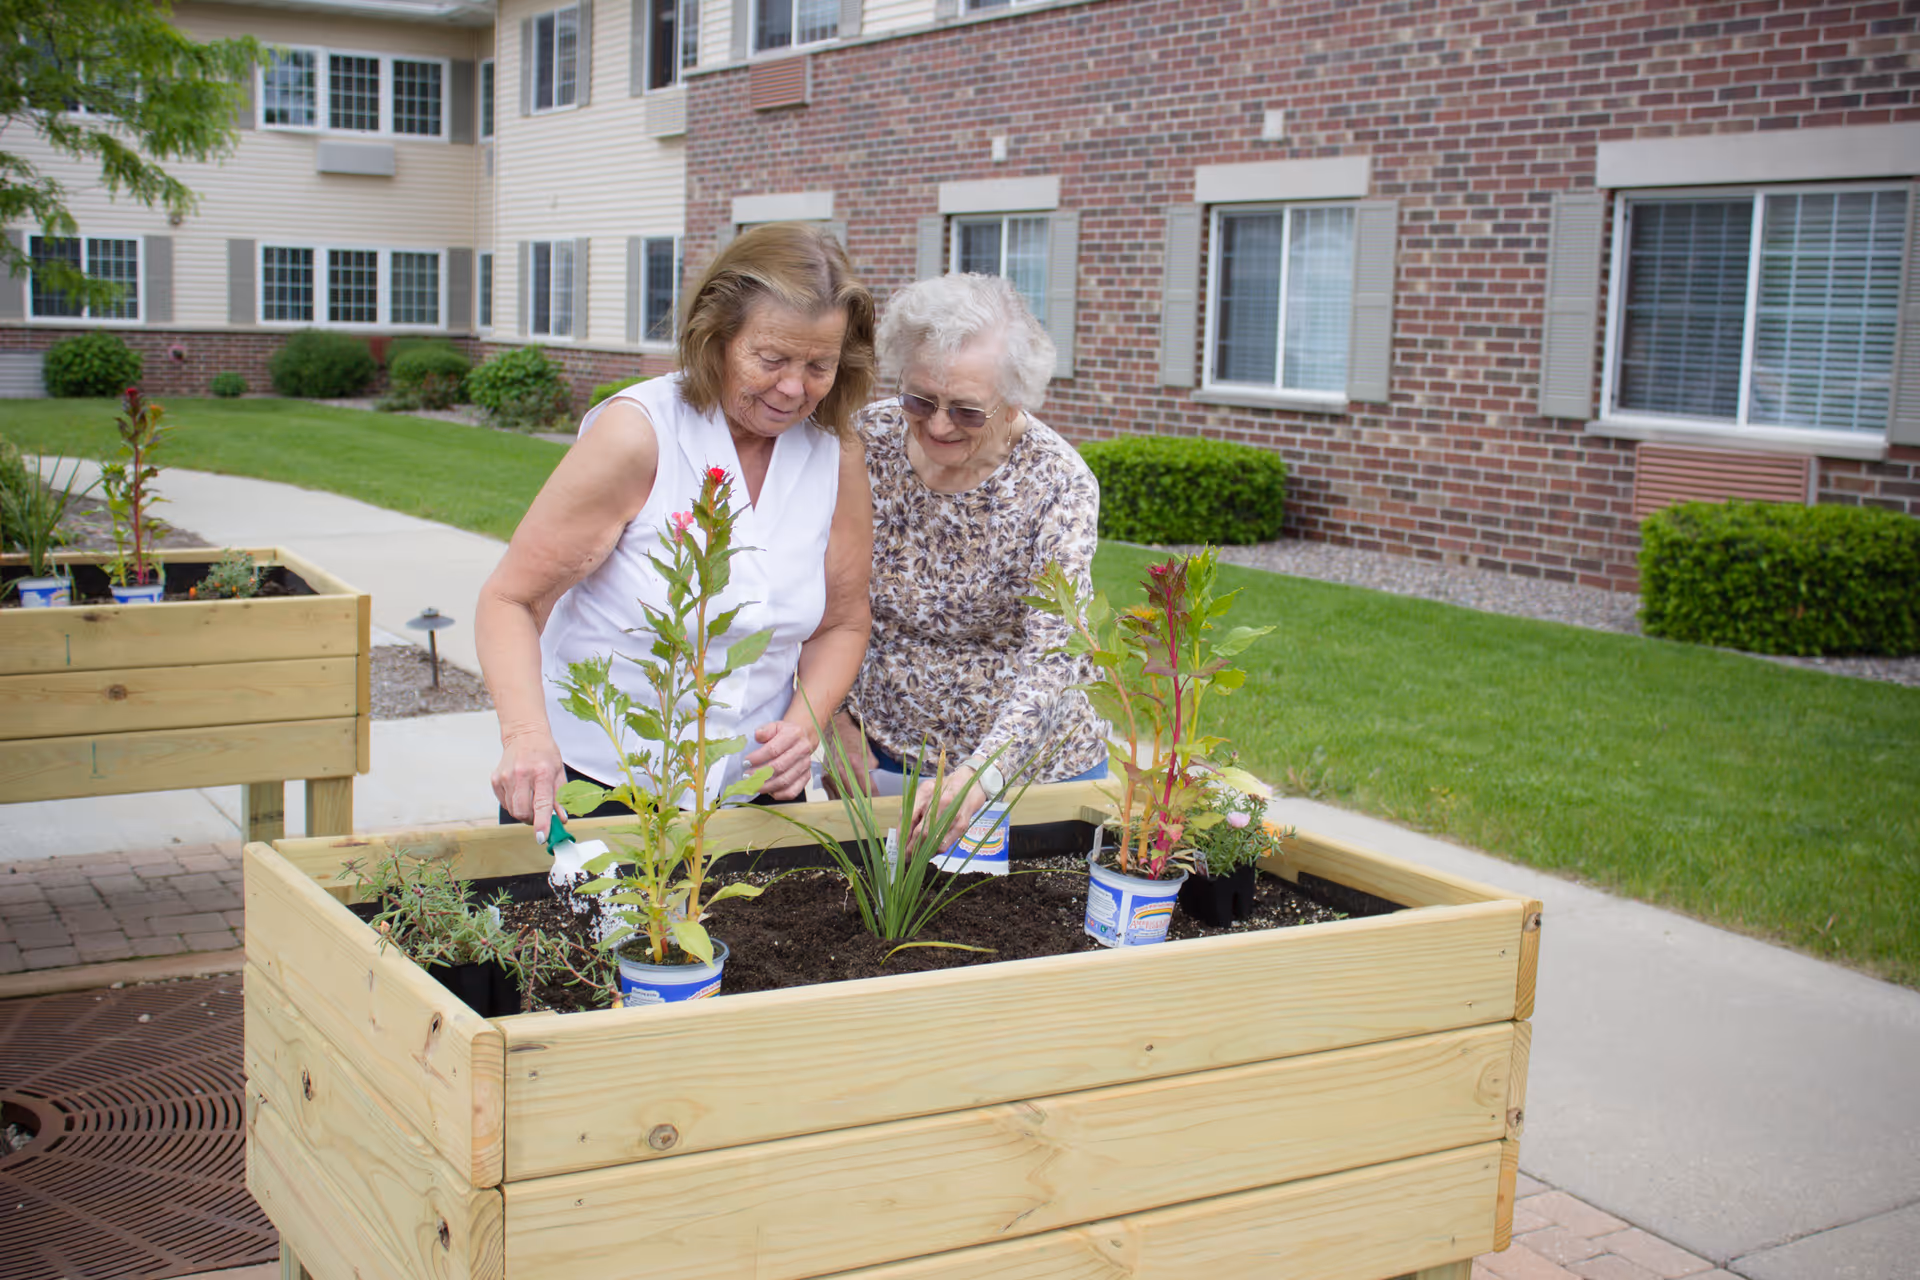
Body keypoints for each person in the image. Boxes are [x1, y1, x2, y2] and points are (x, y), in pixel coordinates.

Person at [479, 223, 875, 833]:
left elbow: (843, 622)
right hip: (597, 787)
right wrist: (527, 736)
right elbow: (511, 598)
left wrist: (803, 725)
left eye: (818, 365)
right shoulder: (638, 435)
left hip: (754, 797)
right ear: (715, 337)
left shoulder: (834, 451)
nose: (794, 388)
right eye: (770, 359)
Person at [831, 272, 1106, 834]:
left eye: (966, 410)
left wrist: (981, 775)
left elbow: (1058, 653)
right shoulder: (866, 441)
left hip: (1026, 773)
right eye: (919, 398)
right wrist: (833, 718)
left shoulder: (1057, 483)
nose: (936, 424)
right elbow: (810, 589)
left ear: (1014, 400)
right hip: (880, 756)